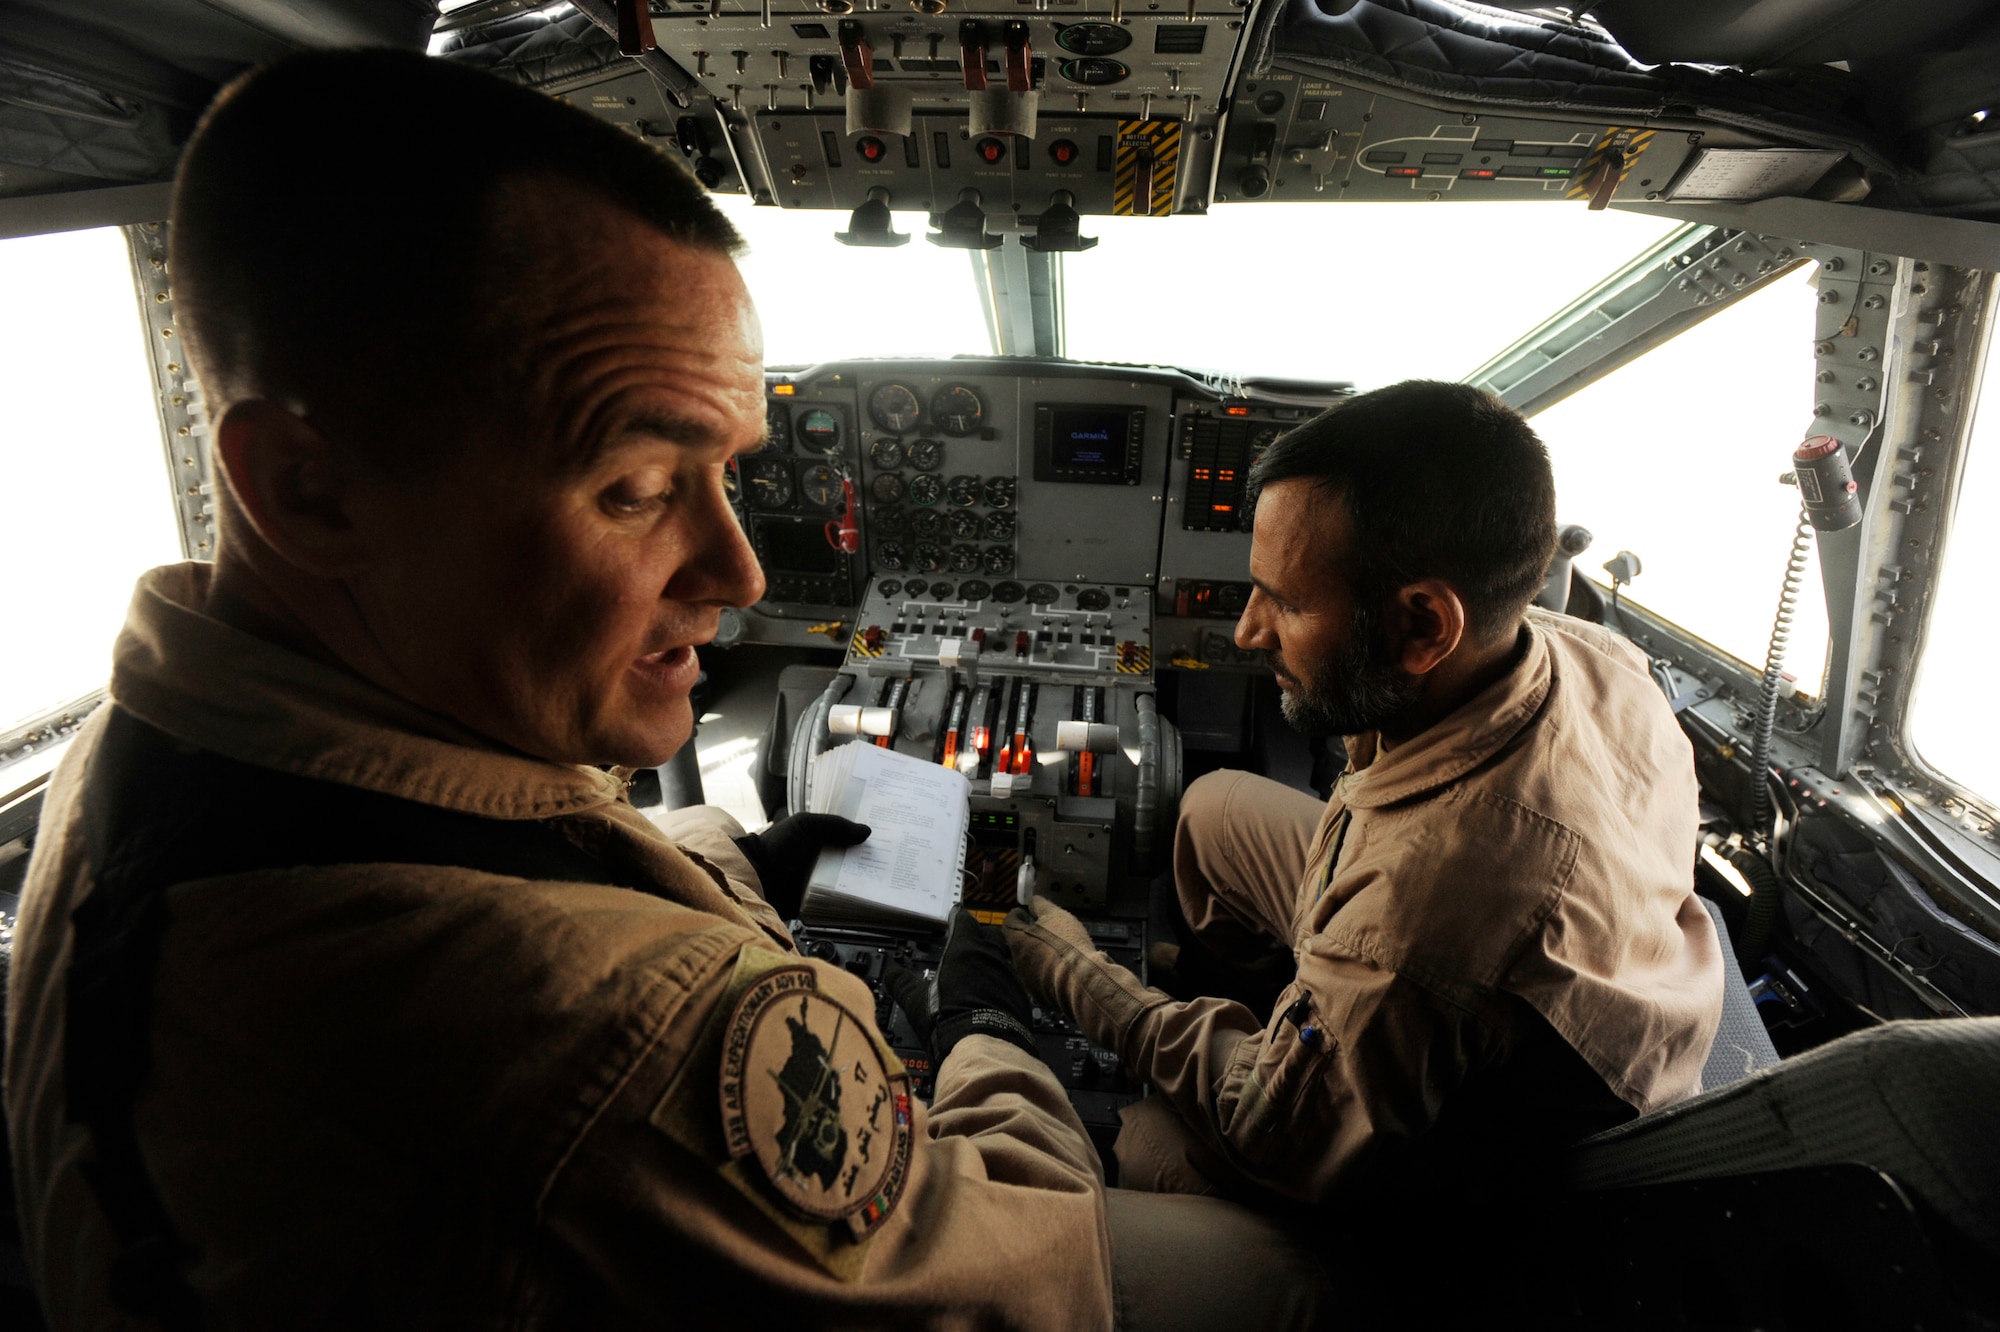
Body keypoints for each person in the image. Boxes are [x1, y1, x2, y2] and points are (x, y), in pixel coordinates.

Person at [5, 49, 1118, 1329]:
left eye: (728, 473)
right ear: (310, 488)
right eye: (637, 489)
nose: (738, 570)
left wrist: (730, 865)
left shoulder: (141, 752)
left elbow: (488, 858)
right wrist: (988, 1020)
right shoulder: (598, 1034)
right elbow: (1046, 1278)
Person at [1006, 381, 1725, 1209]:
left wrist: (1076, 975)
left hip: (1494, 1177)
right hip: (1565, 972)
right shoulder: (1586, 649)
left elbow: (1263, 1131)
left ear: (1424, 627)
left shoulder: (1427, 915)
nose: (1247, 631)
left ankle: (1303, 1070)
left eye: (1285, 601)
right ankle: (1291, 1026)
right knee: (1212, 812)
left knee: (1146, 1140)